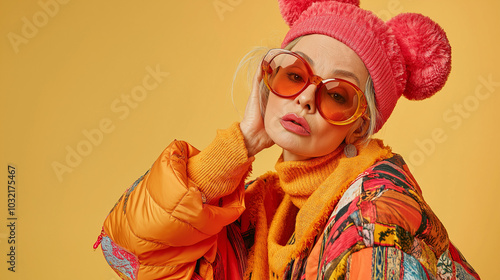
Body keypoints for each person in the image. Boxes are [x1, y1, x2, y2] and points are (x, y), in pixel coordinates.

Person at [94, 0, 480, 279]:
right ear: (268, 79)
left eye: (337, 94)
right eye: (294, 75)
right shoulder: (270, 207)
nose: (306, 98)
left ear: (359, 126)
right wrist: (241, 143)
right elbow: (133, 250)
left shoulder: (376, 219)